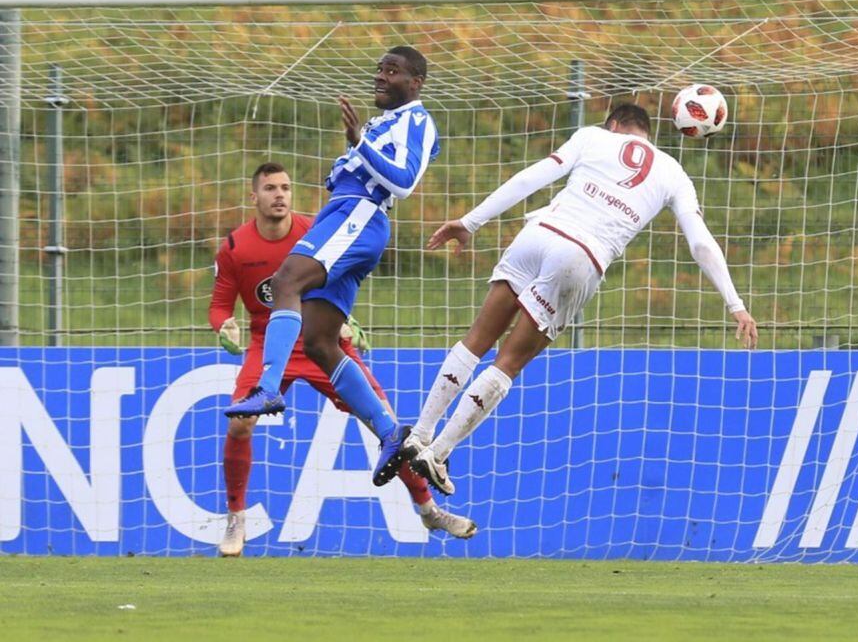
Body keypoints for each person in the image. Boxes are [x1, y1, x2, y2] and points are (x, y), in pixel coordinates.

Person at [383, 103, 758, 494]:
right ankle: (438, 453)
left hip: (539, 232)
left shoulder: (592, 137)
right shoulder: (674, 174)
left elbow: (532, 177)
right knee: (508, 361)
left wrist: (471, 221)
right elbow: (700, 242)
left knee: (476, 338)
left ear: (612, 125)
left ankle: (419, 433)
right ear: (645, 133)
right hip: (582, 256)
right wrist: (736, 304)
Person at [211, 162, 475, 555]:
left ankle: (429, 510)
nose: (280, 194)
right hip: (271, 346)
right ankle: (236, 521)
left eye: (285, 187)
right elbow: (218, 305)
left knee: (385, 425)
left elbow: (338, 279)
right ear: (254, 197)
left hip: (324, 340)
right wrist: (225, 325)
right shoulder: (235, 247)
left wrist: (349, 320)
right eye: (270, 188)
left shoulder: (314, 230)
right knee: (240, 424)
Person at [225, 46, 439, 490]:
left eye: (393, 71)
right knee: (321, 342)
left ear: (415, 83)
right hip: (342, 214)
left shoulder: (417, 120)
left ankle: (267, 389)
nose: (381, 76)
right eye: (378, 69)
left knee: (286, 280)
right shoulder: (386, 123)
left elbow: (403, 182)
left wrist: (358, 144)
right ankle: (388, 431)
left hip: (359, 215)